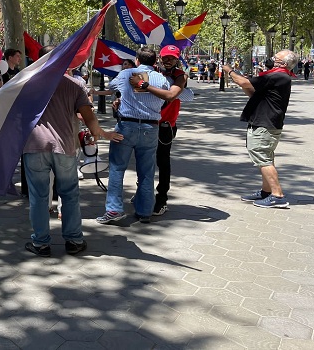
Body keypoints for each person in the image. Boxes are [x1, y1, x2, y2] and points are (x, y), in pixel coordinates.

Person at [23, 48, 123, 257]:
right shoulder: (75, 84)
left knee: (39, 196)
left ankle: (41, 243)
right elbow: (88, 117)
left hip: (34, 146)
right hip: (65, 146)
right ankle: (74, 240)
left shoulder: (27, 82)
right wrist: (101, 133)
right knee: (69, 194)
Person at [96, 46, 170, 225]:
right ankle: (145, 211)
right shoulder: (161, 79)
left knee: (117, 168)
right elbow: (167, 98)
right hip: (151, 128)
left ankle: (114, 209)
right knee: (146, 172)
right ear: (154, 62)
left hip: (126, 126)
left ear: (137, 60)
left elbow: (112, 88)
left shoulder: (126, 74)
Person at [224, 49, 296, 208]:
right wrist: (243, 81)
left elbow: (243, 82)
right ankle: (266, 191)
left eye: (275, 58)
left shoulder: (278, 76)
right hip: (263, 121)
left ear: (282, 63)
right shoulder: (276, 77)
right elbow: (252, 91)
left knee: (262, 157)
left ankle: (277, 195)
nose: (271, 59)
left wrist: (230, 71)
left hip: (266, 123)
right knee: (265, 157)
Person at [129, 45, 194, 216]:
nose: (168, 60)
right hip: (146, 123)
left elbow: (172, 95)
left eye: (172, 58)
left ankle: (162, 199)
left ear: (177, 59)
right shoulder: (152, 71)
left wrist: (145, 84)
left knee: (162, 162)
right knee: (142, 161)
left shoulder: (180, 75)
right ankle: (142, 194)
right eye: (165, 57)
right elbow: (136, 92)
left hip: (165, 125)